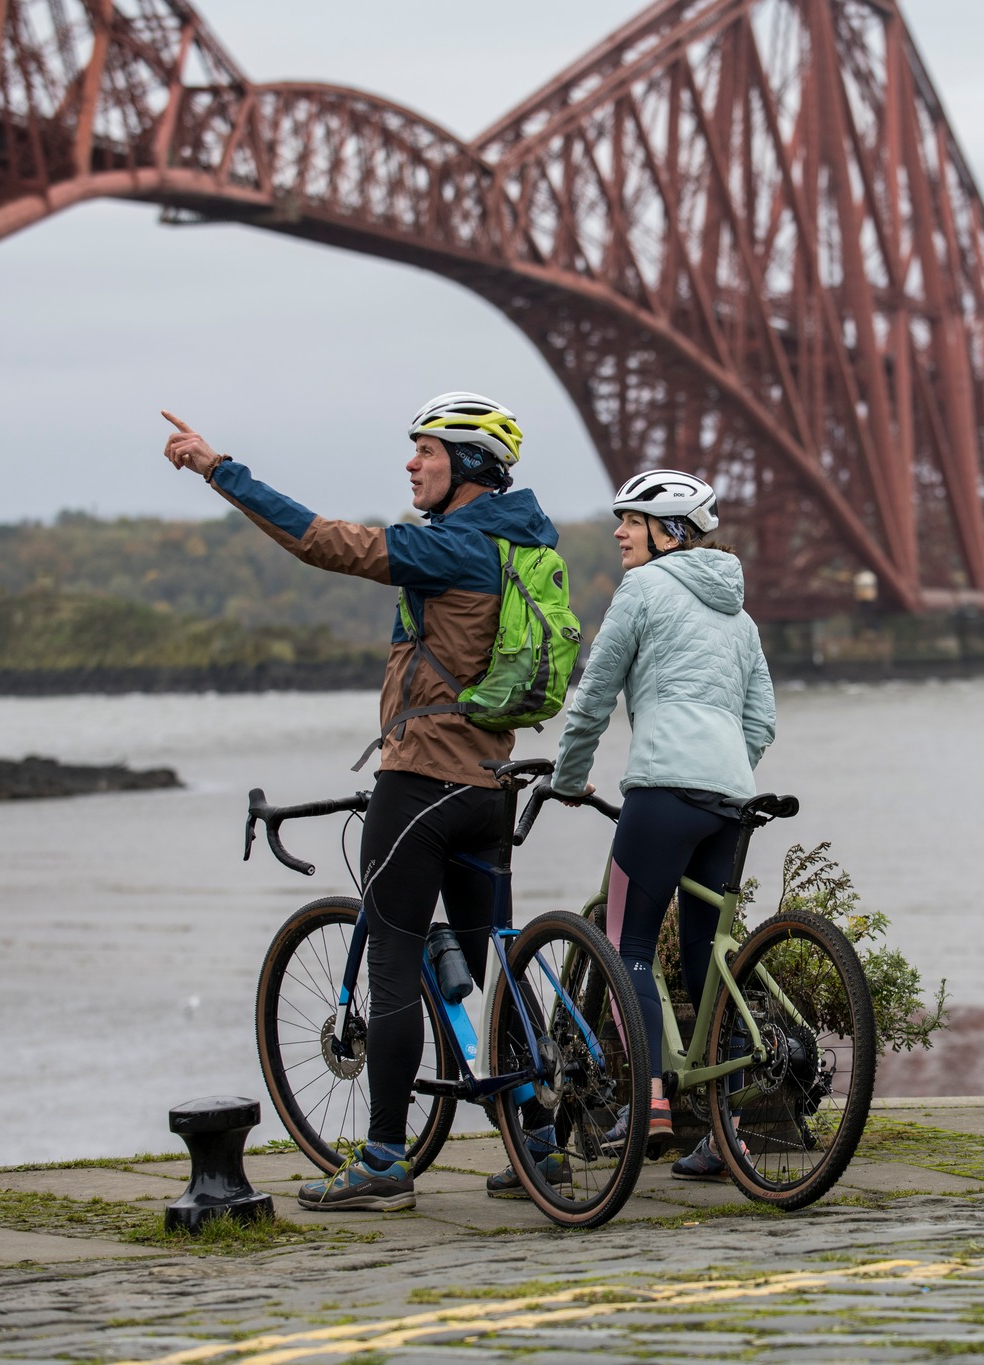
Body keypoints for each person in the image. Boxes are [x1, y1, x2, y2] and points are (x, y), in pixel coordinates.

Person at [160, 392, 556, 1211]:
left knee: (394, 969)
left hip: (418, 785)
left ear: (470, 466)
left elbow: (319, 541)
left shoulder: (452, 546)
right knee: (498, 965)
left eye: (427, 452)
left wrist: (216, 468)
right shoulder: (524, 545)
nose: (411, 463)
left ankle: (383, 1157)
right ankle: (541, 1149)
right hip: (490, 787)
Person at [550, 469, 777, 1181]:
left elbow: (593, 693)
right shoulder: (741, 619)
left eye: (632, 520)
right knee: (716, 963)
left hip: (662, 790)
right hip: (731, 800)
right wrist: (723, 771)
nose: (619, 530)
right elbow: (761, 720)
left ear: (669, 532)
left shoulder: (644, 591)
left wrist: (565, 776)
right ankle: (726, 1132)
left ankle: (647, 1101)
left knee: (630, 946)